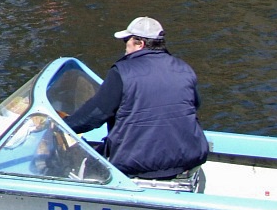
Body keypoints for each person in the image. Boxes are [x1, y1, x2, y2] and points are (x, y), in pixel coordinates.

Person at [64, 17, 209, 180]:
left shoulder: (122, 72)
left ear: (140, 43)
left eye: (127, 40)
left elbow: (93, 116)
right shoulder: (184, 69)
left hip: (136, 164)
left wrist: (63, 126)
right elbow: (194, 105)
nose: (125, 47)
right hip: (187, 159)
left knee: (73, 164)